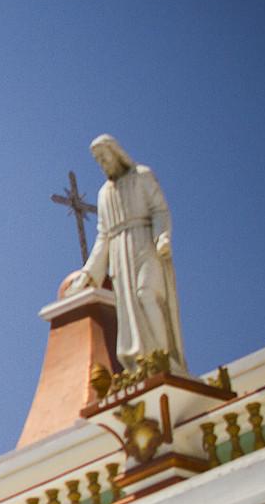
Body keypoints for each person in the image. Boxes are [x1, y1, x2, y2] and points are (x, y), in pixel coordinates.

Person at [64, 135, 186, 374]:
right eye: (97, 160)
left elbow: (159, 210)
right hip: (120, 255)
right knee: (130, 310)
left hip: (144, 243)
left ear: (116, 152)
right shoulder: (104, 194)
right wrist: (88, 275)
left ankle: (165, 357)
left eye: (104, 156)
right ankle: (143, 361)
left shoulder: (142, 176)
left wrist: (162, 237)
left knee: (147, 294)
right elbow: (103, 237)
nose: (102, 163)